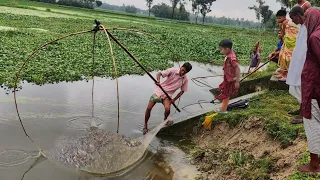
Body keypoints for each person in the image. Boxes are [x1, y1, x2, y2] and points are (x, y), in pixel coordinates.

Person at [143, 62, 192, 135]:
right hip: (159, 92)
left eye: (185, 72)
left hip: (168, 96)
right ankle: (145, 125)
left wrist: (174, 99)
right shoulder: (172, 70)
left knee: (167, 109)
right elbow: (159, 73)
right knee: (149, 108)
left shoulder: (185, 79)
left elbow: (182, 91)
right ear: (181, 67)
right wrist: (158, 80)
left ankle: (165, 120)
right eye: (182, 70)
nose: (182, 72)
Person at [299, 8, 320, 173]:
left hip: (314, 87)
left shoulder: (314, 37)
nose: (305, 22)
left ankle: (314, 165)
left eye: (306, 18)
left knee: (312, 123)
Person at [287, 6, 308, 124]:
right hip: (298, 61)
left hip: (304, 62)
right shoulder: (302, 27)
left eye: (292, 18)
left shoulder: (309, 26)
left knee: (303, 87)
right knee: (298, 85)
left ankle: (303, 114)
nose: (292, 21)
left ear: (298, 15)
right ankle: (300, 109)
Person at [213, 39, 240, 113]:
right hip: (227, 78)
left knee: (226, 93)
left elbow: (237, 69)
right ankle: (223, 108)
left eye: (221, 49)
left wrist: (237, 81)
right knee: (225, 92)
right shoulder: (228, 55)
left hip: (230, 79)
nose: (221, 51)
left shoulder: (232, 58)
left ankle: (223, 109)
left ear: (227, 49)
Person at [276, 9, 300, 81]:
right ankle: (283, 72)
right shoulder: (284, 23)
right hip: (288, 42)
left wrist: (283, 41)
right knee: (282, 57)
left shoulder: (285, 23)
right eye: (277, 18)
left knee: (287, 58)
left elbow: (284, 34)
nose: (277, 20)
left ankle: (287, 75)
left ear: (284, 17)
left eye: (279, 18)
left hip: (290, 43)